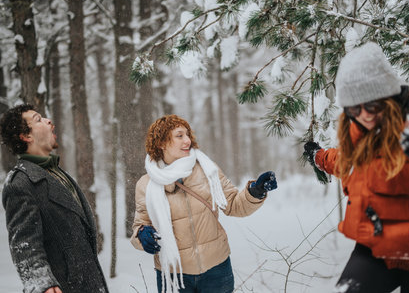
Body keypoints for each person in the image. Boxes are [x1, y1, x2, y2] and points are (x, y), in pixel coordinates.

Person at [303, 42, 409, 292]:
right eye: (354, 108)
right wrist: (319, 157)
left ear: (387, 96)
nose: (365, 115)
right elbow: (348, 165)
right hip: (377, 247)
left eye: (372, 105)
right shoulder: (359, 132)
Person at [130, 114, 277, 293]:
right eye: (179, 136)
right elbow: (140, 226)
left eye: (187, 135)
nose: (187, 140)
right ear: (161, 143)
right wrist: (143, 234)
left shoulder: (206, 169)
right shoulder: (146, 184)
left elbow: (233, 205)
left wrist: (255, 191)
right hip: (174, 275)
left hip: (216, 270)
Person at [0, 104, 109, 293]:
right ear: (26, 136)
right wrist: (42, 283)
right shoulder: (20, 184)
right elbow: (24, 244)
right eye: (38, 119)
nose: (49, 121)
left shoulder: (56, 173)